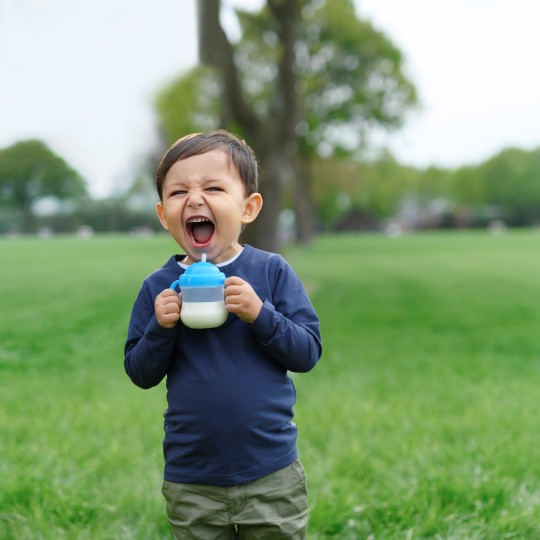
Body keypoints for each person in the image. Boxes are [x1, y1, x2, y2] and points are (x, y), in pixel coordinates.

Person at [124, 129, 322, 539]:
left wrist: (260, 314)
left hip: (270, 470)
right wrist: (161, 327)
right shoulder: (158, 287)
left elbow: (307, 353)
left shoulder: (270, 273)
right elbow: (140, 372)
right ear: (164, 215)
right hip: (192, 475)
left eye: (213, 187)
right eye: (179, 192)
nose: (195, 199)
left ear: (248, 208)